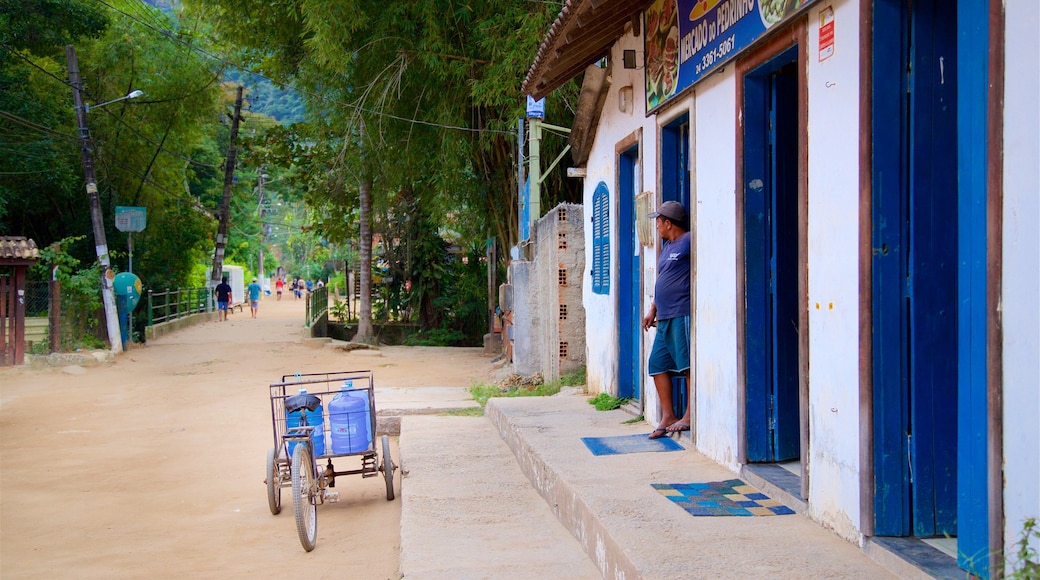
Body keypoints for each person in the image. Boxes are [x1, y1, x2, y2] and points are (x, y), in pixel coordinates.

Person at [642, 200, 692, 439]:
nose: (657, 227)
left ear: (668, 223)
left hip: (681, 311)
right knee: (657, 364)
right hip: (664, 315)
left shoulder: (689, 241)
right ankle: (668, 415)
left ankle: (689, 415)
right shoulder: (667, 248)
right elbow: (663, 279)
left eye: (658, 222)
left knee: (686, 365)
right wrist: (653, 309)